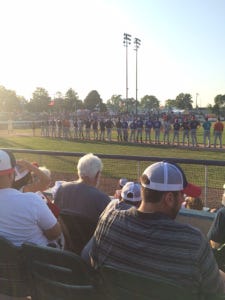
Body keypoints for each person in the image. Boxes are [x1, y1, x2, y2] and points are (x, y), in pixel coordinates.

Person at [90, 161, 225, 296]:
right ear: (169, 198)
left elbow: (94, 265)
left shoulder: (109, 219)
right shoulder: (192, 242)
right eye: (182, 194)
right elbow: (215, 292)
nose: (183, 199)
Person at [0, 149, 61, 247]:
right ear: (11, 175)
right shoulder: (31, 200)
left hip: (6, 259)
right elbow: (55, 234)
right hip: (39, 259)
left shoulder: (27, 195)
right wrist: (28, 165)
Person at [54, 153, 111, 224]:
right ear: (97, 175)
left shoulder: (62, 188)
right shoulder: (103, 199)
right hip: (89, 235)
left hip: (64, 234)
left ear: (79, 171)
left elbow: (55, 215)